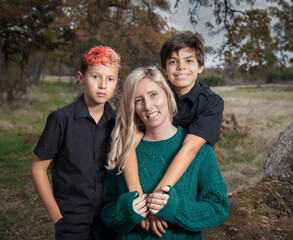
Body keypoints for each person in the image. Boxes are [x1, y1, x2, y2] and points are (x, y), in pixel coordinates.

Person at [102, 67, 229, 239]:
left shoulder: (199, 149)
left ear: (167, 94)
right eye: (138, 100)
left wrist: (176, 209)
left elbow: (218, 209)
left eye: (153, 94)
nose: (148, 106)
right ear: (132, 107)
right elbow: (107, 212)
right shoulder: (122, 149)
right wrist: (126, 210)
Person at [122, 33, 224, 235]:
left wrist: (157, 199)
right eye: (173, 62)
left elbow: (190, 148)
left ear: (200, 67)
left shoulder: (211, 102)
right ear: (164, 69)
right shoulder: (155, 93)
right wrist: (139, 200)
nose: (181, 67)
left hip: (189, 169)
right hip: (148, 161)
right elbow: (129, 140)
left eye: (189, 61)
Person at [31, 45, 120, 239]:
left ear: (116, 83)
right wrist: (57, 217)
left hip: (108, 221)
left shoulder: (118, 124)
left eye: (110, 79)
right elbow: (38, 168)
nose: (103, 85)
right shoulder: (61, 120)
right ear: (81, 77)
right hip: (71, 221)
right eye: (96, 76)